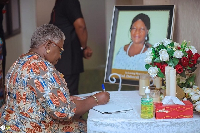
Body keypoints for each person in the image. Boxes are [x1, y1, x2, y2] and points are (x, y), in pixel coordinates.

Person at [0, 24, 110, 132]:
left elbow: (30, 99)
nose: (60, 56)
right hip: (29, 128)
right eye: (60, 50)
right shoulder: (41, 67)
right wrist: (95, 100)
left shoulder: (19, 62)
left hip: (7, 126)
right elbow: (63, 112)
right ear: (48, 45)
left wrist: (63, 99)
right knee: (88, 126)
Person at [49, 0, 92, 96]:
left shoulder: (69, 1)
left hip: (68, 58)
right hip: (62, 57)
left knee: (68, 96)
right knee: (63, 95)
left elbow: (81, 26)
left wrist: (83, 48)